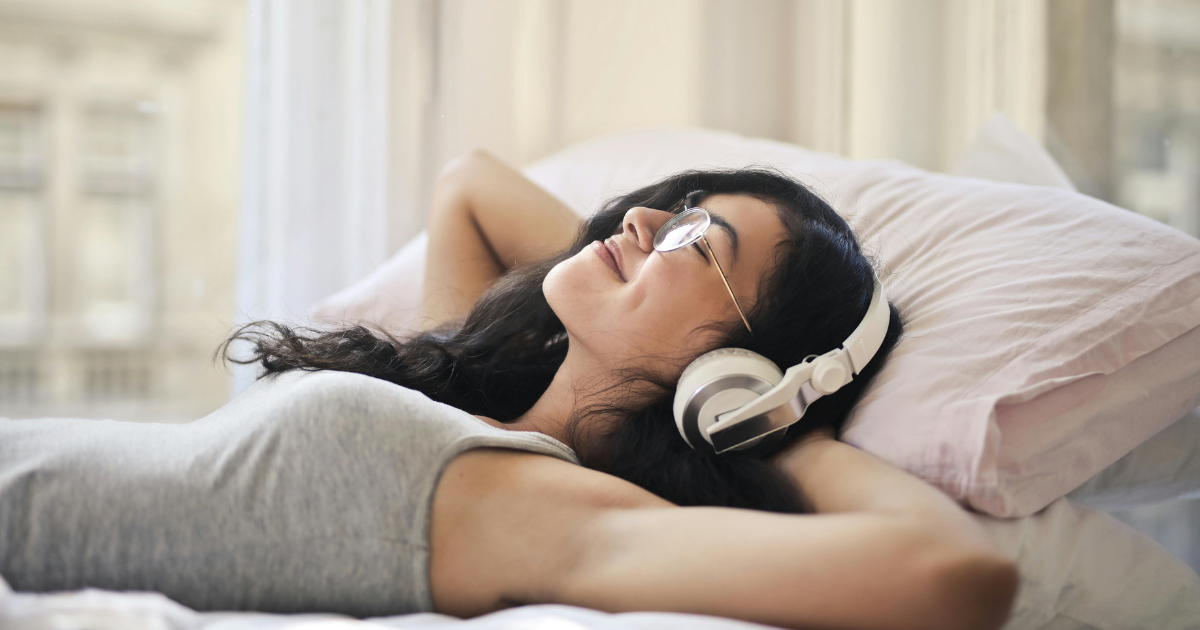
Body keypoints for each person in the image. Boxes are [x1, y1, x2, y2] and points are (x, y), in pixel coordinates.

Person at [0, 149, 1017, 630]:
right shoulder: (468, 399)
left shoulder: (537, 509)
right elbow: (471, 188)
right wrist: (650, 256)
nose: (649, 221)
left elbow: (956, 577)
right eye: (676, 208)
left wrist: (764, 416)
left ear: (740, 371)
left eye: (703, 242)